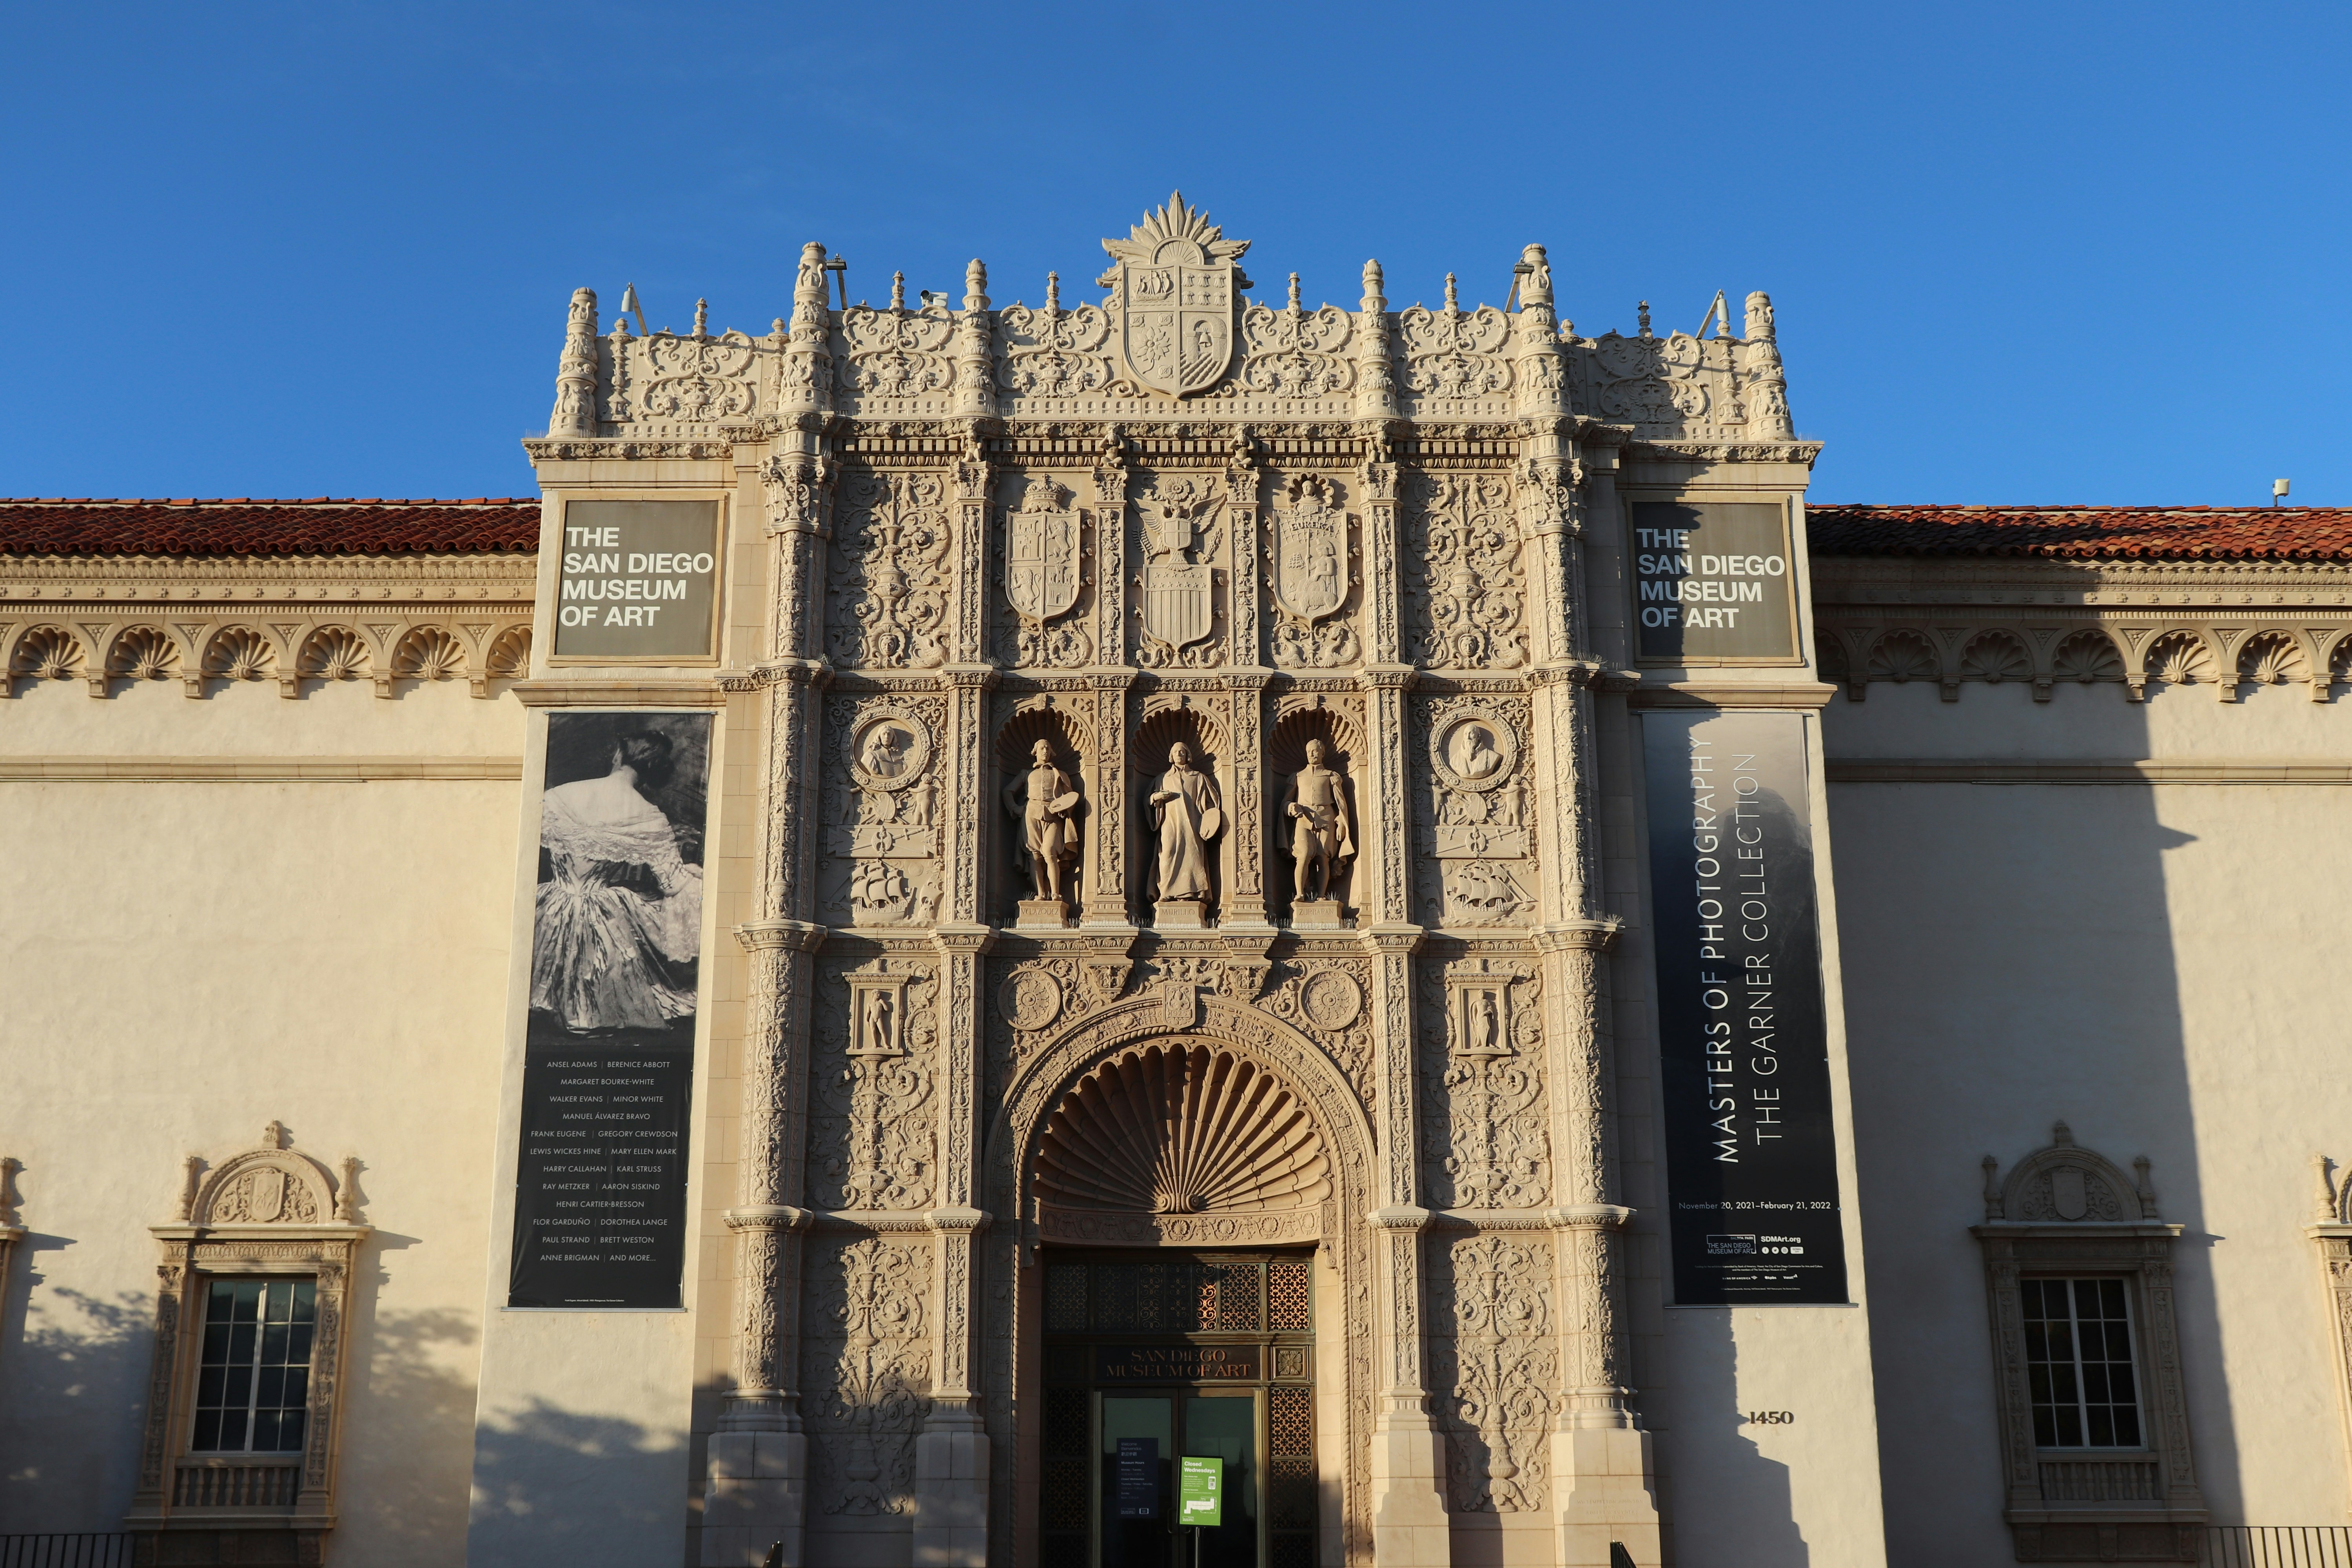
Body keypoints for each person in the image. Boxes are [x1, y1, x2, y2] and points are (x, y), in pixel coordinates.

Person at [530, 730, 702, 1032]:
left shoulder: (558, 795)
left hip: (548, 905)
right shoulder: (649, 816)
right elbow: (673, 885)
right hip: (604, 913)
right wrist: (697, 873)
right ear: (653, 769)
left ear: (618, 755)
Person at [1003, 739, 1082, 904]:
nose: (1045, 751)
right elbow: (1008, 791)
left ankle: (1056, 894)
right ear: (1036, 752)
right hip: (1031, 813)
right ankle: (1040, 894)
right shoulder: (1026, 774)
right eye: (1042, 748)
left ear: (1052, 752)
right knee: (1035, 855)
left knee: (1049, 851)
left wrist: (1065, 811)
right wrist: (1015, 808)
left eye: (1048, 748)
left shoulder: (1060, 774)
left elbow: (1071, 797)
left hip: (1053, 815)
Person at [1148, 741, 1221, 905]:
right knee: (1167, 854)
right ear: (1171, 757)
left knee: (1193, 857)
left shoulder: (1199, 777)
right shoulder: (1162, 779)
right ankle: (1166, 891)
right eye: (1176, 753)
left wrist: (1208, 823)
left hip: (1193, 825)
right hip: (1170, 824)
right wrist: (1155, 798)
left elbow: (1212, 805)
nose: (1179, 755)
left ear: (1188, 755)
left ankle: (1191, 893)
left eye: (1182, 752)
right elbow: (1148, 800)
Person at [1282, 738, 1354, 902]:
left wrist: (1342, 822)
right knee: (1304, 854)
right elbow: (1285, 802)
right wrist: (1291, 807)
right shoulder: (1298, 777)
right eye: (1309, 752)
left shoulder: (1331, 776)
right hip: (1303, 818)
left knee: (1323, 857)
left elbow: (1341, 803)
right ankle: (1300, 894)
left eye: (1315, 751)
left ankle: (1322, 896)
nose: (1312, 755)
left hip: (1326, 817)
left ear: (1323, 753)